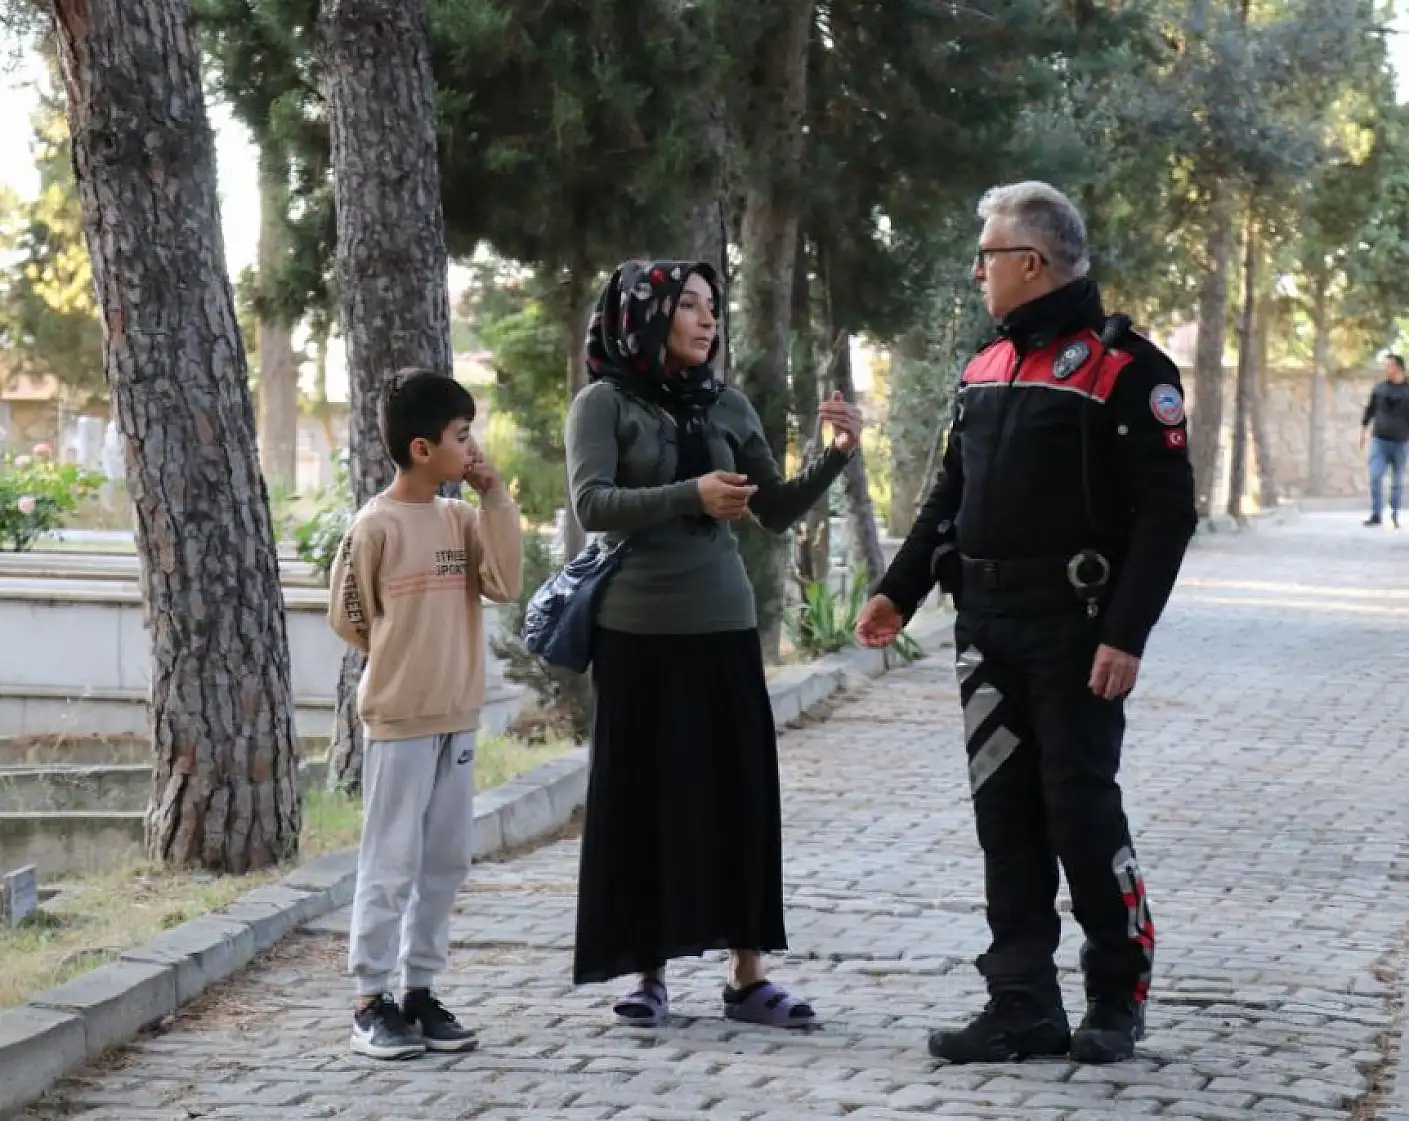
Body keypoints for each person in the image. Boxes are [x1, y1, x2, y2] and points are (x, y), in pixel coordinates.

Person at [856, 181, 1197, 1065]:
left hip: (1079, 632)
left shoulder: (1130, 372)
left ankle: (1116, 995)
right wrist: (899, 590)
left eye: (989, 256)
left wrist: (1126, 633)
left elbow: (1166, 514)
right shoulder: (985, 367)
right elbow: (949, 497)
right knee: (1004, 816)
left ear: (1032, 263)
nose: (977, 272)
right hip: (989, 629)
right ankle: (1020, 1004)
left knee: (1078, 809)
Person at [564, 259, 861, 1028]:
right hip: (636, 632)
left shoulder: (728, 404)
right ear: (646, 313)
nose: (707, 320)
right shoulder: (603, 403)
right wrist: (689, 495)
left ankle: (748, 976)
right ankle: (646, 973)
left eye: (712, 307)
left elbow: (777, 509)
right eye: (689, 305)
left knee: (738, 796)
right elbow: (593, 503)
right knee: (643, 801)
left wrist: (833, 455)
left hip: (725, 627)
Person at [327, 368, 524, 1060]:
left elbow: (503, 581)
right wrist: (405, 660)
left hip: (458, 718)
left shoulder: (462, 519)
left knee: (443, 860)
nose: (472, 450)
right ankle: (369, 997)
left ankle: (419, 989)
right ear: (421, 448)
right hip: (399, 721)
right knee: (390, 860)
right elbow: (350, 616)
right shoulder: (375, 525)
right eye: (461, 436)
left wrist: (496, 496)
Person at [1360, 353, 1409, 529]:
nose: (1386, 369)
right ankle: (1376, 514)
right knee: (1375, 476)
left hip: (1401, 443)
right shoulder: (1379, 389)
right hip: (1379, 440)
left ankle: (1394, 513)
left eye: (1389, 365)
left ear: (1399, 368)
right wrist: (1363, 431)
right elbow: (1369, 411)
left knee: (1397, 481)